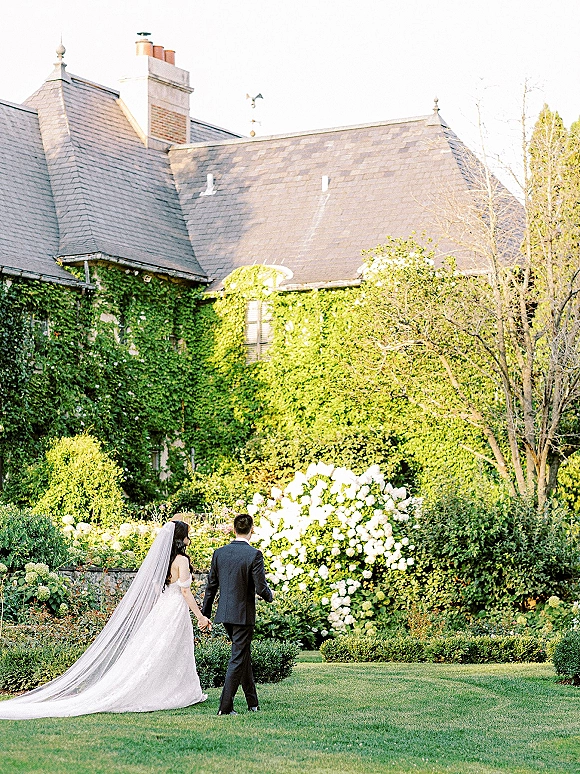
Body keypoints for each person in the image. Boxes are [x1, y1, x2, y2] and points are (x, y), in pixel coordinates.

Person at [0, 520, 211, 719]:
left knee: (158, 650)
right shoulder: (182, 560)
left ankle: (170, 689)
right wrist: (200, 616)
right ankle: (171, 690)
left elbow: (157, 588)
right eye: (187, 535)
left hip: (163, 608)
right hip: (174, 609)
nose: (189, 539)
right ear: (180, 538)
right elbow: (185, 593)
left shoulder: (164, 560)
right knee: (170, 650)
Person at [202, 513, 274, 715]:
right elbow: (261, 588)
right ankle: (225, 708)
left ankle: (253, 703)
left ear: (234, 530)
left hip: (225, 615)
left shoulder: (219, 553)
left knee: (243, 656)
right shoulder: (254, 554)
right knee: (237, 658)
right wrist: (270, 595)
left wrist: (205, 613)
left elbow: (211, 586)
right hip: (243, 616)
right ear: (251, 530)